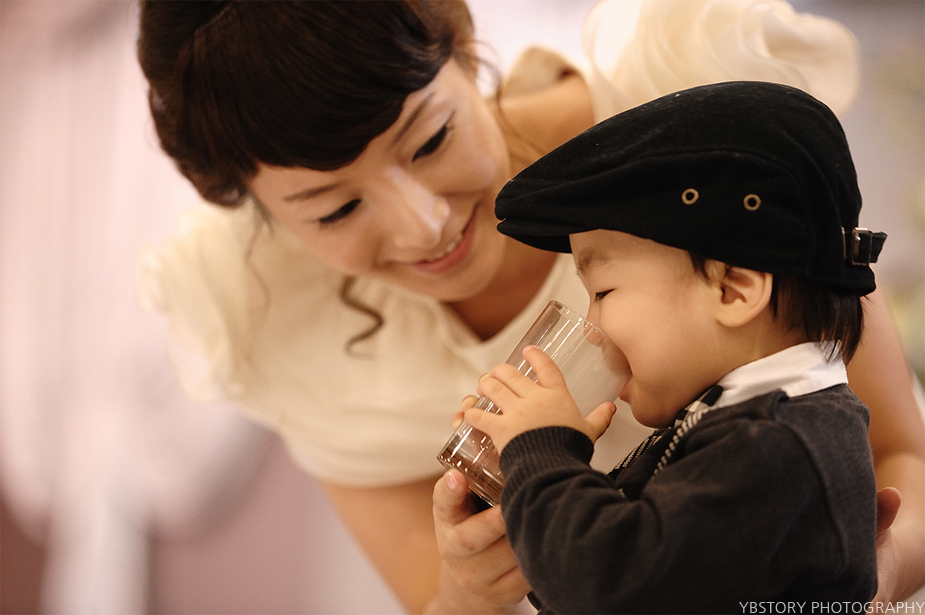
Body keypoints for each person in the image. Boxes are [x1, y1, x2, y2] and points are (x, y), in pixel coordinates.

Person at [135, 1, 925, 612]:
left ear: (463, 44)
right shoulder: (283, 328)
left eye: (430, 139)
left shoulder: (698, 142)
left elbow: (902, 457)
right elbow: (437, 597)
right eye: (335, 210)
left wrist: (857, 578)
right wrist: (467, 587)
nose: (424, 225)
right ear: (266, 212)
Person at [465, 80, 881, 613]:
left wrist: (542, 449)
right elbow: (572, 577)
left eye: (602, 292)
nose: (591, 326)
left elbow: (603, 585)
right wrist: (511, 479)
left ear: (733, 290)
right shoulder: (742, 425)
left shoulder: (779, 448)